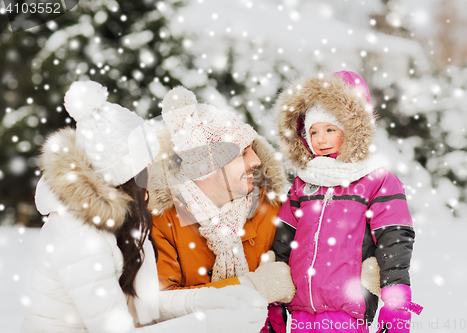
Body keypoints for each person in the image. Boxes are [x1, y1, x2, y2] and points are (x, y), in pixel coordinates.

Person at [21, 81, 268, 333]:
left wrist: (212, 300)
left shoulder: (119, 221)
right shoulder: (78, 236)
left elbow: (144, 305)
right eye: (145, 166)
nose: (154, 173)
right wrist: (213, 325)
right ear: (125, 177)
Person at [272, 71, 423, 333]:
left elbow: (394, 243)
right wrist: (273, 301)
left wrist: (396, 304)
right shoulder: (303, 184)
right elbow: (283, 244)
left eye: (331, 129)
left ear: (352, 130)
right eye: (314, 131)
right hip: (300, 313)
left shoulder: (376, 180)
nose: (320, 139)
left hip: (347, 313)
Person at [148, 86, 296, 333]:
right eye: (243, 154)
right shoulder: (164, 222)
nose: (256, 161)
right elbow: (160, 306)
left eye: (252, 150)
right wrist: (251, 286)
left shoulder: (271, 209)